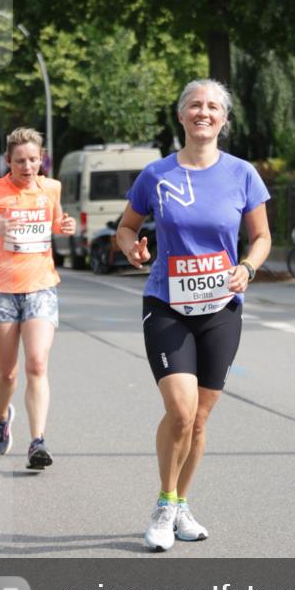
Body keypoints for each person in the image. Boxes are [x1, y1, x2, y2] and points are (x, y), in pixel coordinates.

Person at [117, 79, 271, 551]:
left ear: (224, 119)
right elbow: (126, 227)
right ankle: (164, 506)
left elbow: (262, 238)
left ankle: (182, 503)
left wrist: (248, 267)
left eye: (212, 107)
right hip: (167, 304)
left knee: (199, 420)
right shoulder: (156, 175)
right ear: (181, 115)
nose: (204, 113)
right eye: (195, 105)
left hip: (221, 307)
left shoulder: (243, 174)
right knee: (180, 410)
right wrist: (133, 249)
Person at [0, 127, 75, 469]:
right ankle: (1, 416)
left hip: (40, 286)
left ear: (42, 160)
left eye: (34, 160)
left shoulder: (51, 188)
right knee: (7, 373)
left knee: (36, 364)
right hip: (0, 292)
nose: (27, 167)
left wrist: (64, 226)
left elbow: (56, 222)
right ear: (8, 160)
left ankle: (37, 441)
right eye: (20, 161)